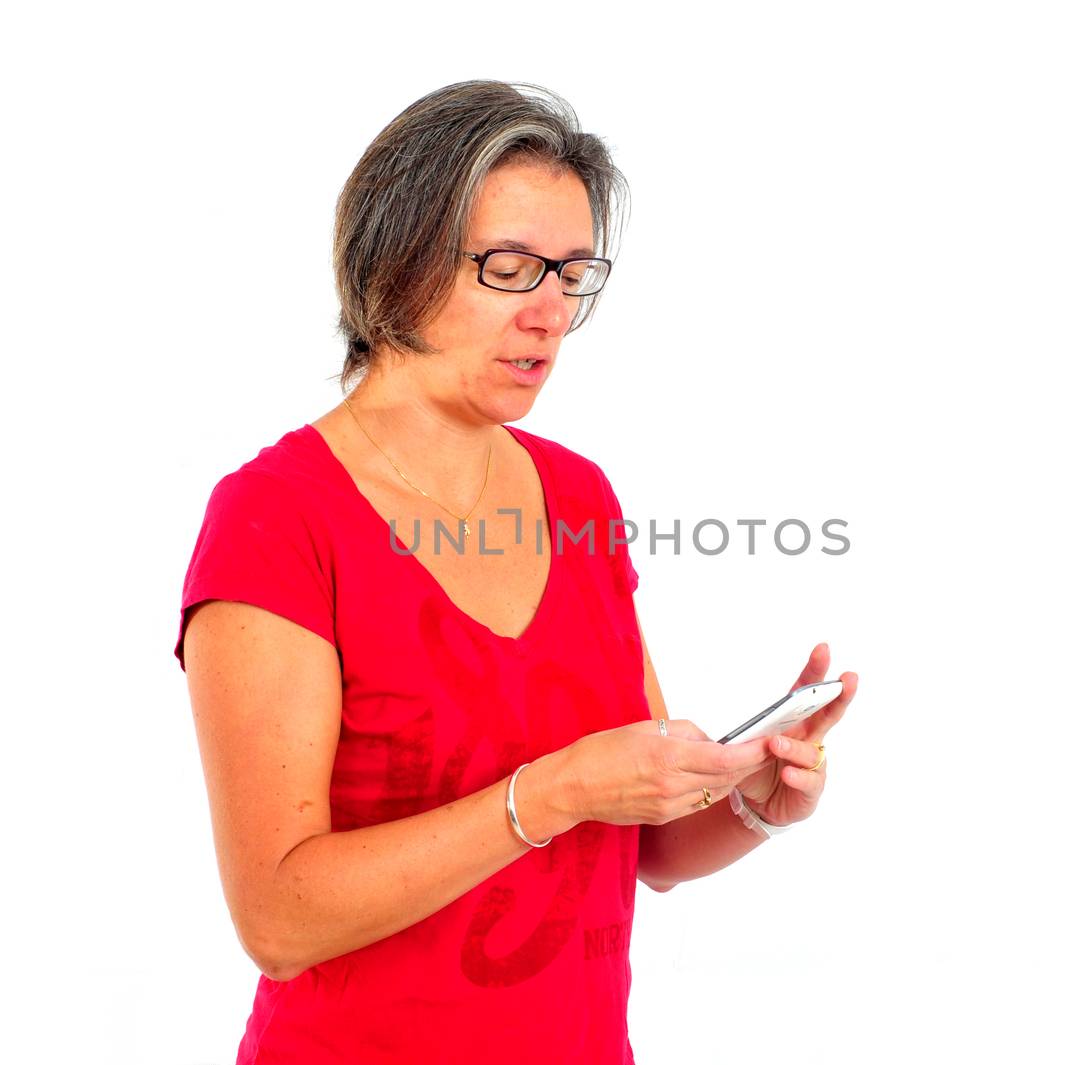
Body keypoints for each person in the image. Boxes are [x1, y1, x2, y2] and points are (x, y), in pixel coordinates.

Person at [174, 80, 858, 1064]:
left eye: (573, 272)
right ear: (396, 261)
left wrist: (751, 797)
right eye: (510, 267)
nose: (551, 312)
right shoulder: (276, 516)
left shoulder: (579, 498)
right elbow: (279, 921)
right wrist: (551, 792)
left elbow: (646, 846)